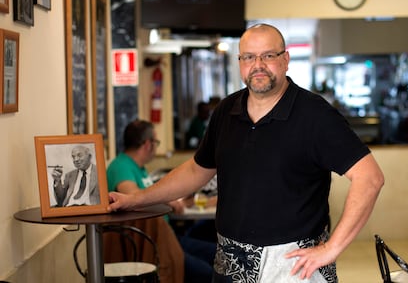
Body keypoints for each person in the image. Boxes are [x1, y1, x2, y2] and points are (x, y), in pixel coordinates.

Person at [107, 24, 385, 282]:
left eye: (268, 56)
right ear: (240, 62)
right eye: (249, 57)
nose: (258, 66)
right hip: (230, 262)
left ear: (286, 60)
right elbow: (196, 170)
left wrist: (332, 249)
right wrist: (136, 199)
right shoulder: (226, 112)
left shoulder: (316, 115)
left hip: (294, 267)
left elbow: (369, 178)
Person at [106, 119, 216, 283]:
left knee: (215, 253)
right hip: (151, 243)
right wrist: (169, 202)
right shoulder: (121, 166)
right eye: (156, 142)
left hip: (167, 235)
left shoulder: (140, 168)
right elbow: (132, 196)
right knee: (207, 272)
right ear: (148, 144)